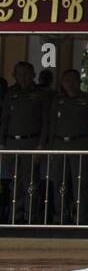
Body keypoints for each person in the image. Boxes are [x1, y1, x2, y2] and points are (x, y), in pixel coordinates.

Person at [42, 69, 88, 224]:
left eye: (73, 80)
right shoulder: (57, 100)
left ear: (79, 82)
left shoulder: (87, 100)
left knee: (80, 184)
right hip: (59, 144)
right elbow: (51, 125)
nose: (70, 84)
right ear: (62, 83)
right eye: (66, 81)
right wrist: (50, 148)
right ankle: (60, 216)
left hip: (80, 145)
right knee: (59, 182)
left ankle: (81, 217)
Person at [1, 62, 49, 223]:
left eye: (27, 74)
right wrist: (2, 143)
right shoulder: (10, 95)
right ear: (14, 76)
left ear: (33, 75)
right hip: (12, 143)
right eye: (20, 74)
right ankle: (15, 215)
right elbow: (4, 122)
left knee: (31, 183)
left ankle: (30, 217)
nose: (23, 78)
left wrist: (41, 146)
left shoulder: (41, 95)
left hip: (32, 142)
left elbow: (46, 123)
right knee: (14, 182)